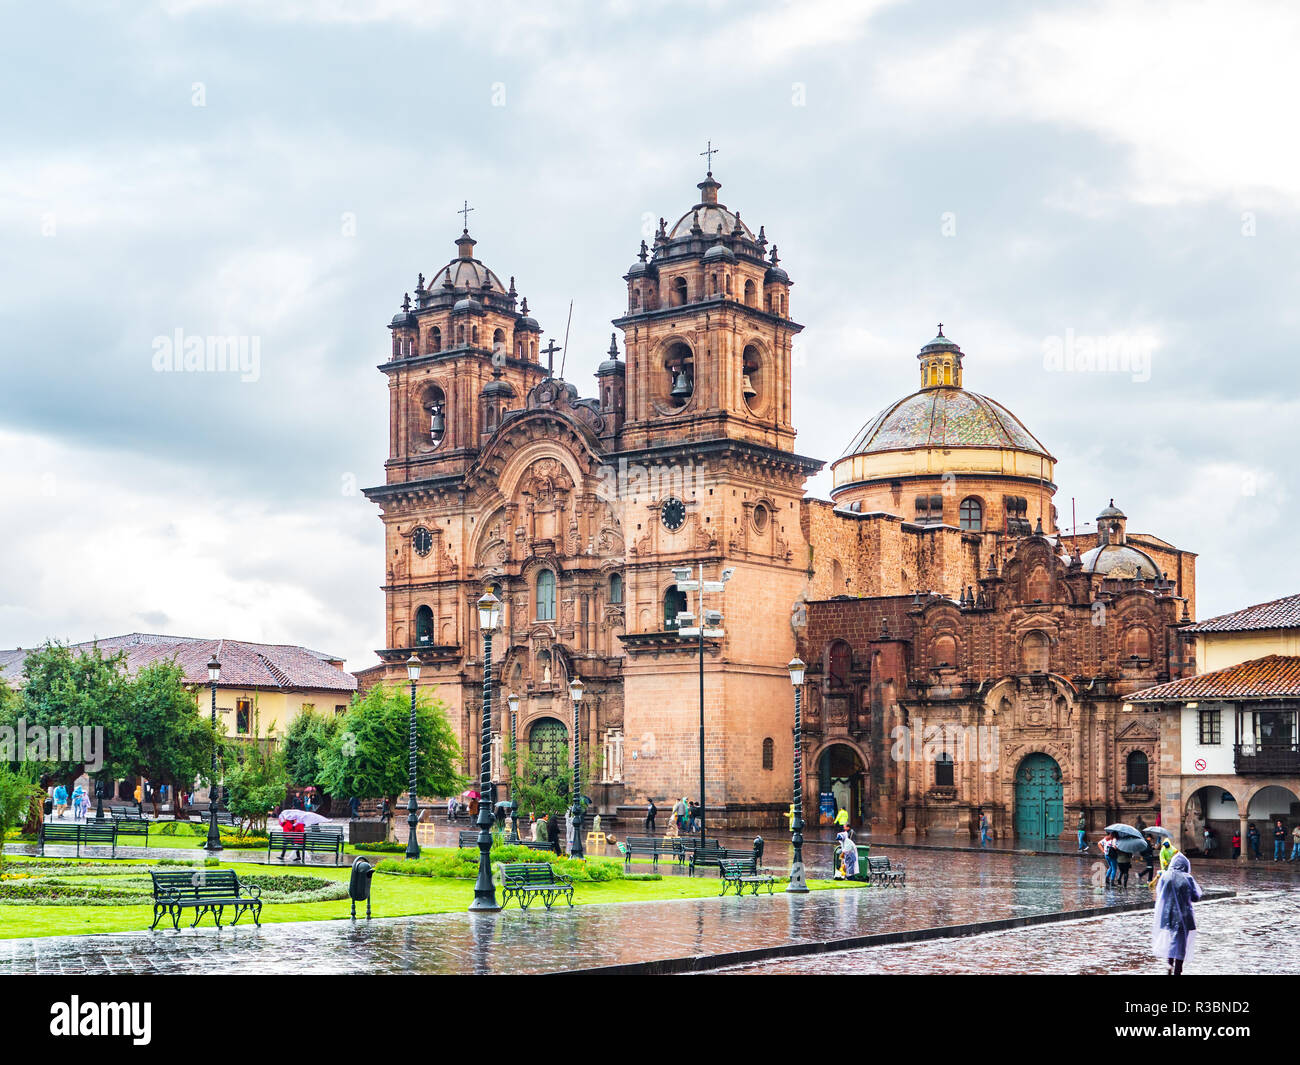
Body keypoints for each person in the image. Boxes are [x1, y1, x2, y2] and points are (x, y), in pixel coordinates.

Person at [1152, 852, 1203, 975]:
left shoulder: (1165, 876)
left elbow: (1160, 894)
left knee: (1171, 940)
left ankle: (1169, 967)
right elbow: (1195, 897)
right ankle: (1178, 970)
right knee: (1181, 943)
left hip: (1167, 915)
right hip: (1184, 916)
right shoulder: (1187, 878)